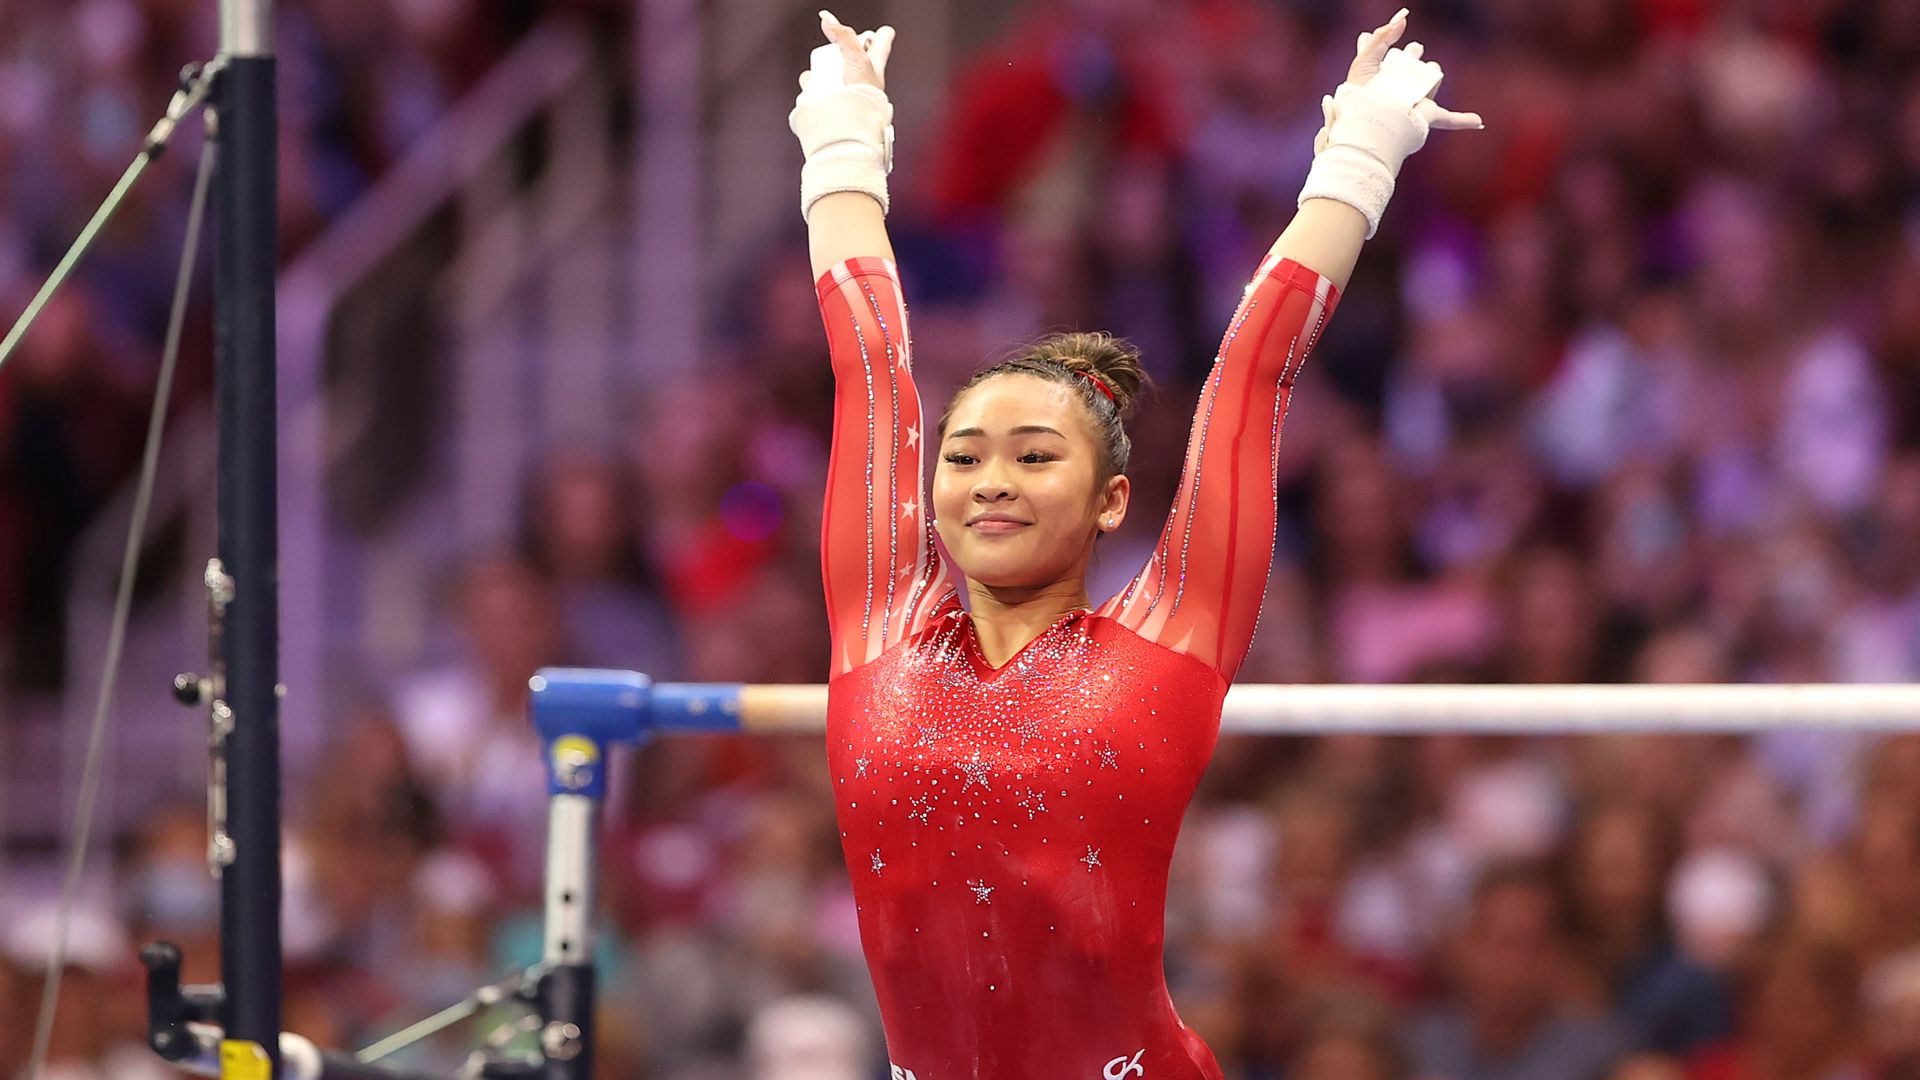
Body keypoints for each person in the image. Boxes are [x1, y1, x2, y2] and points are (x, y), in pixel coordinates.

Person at [792, 7, 1480, 1077]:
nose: (991, 482)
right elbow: (870, 364)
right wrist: (844, 141)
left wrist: (1358, 153)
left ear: (1112, 501)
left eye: (1035, 456)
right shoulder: (879, 624)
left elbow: (1253, 373)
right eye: (965, 456)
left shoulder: (1167, 642)